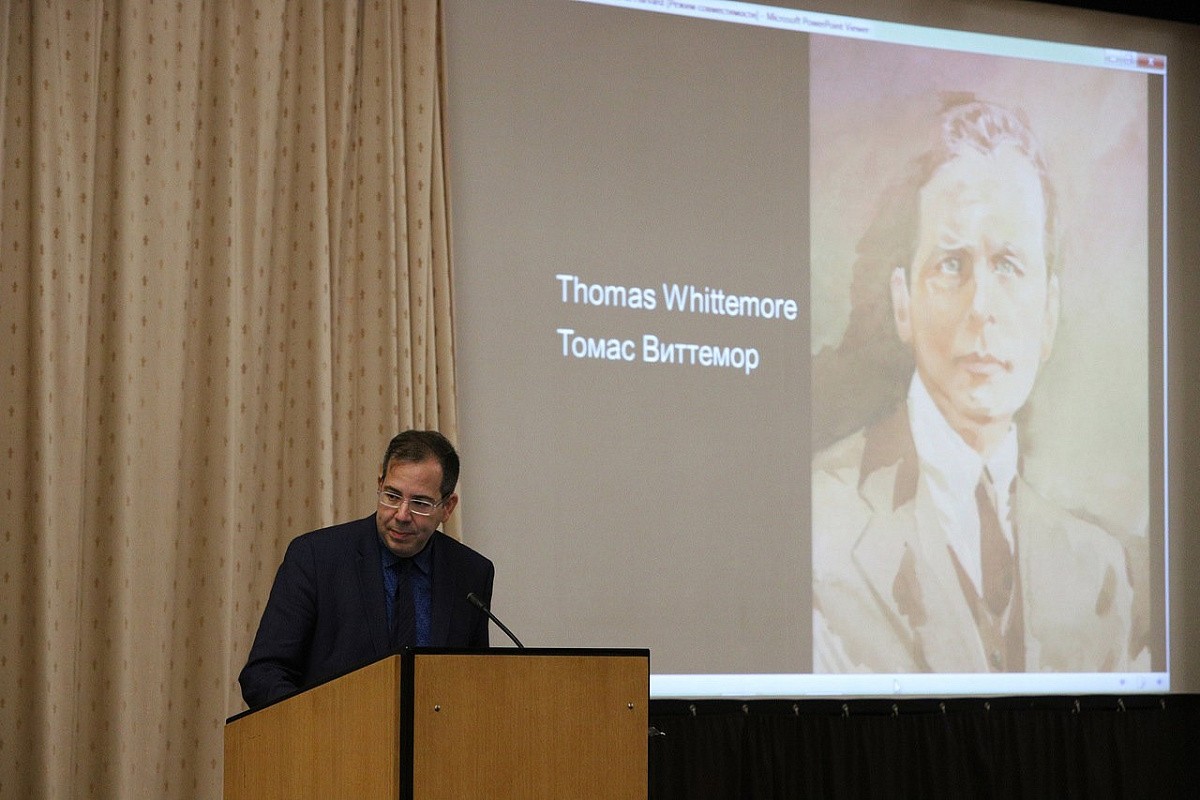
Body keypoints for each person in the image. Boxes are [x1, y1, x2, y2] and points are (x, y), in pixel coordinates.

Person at [811, 96, 1137, 673]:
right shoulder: (816, 528)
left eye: (1009, 265)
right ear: (902, 303)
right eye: (951, 265)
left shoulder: (1098, 574)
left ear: (1049, 315)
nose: (981, 306)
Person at [239, 430, 495, 708]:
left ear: (447, 507)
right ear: (379, 484)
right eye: (392, 496)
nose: (402, 515)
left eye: (420, 503)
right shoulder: (315, 557)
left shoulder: (471, 573)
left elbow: (474, 681)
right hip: (329, 731)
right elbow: (263, 674)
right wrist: (317, 723)